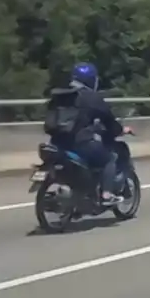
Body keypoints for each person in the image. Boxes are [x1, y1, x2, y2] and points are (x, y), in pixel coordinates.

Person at [44, 62, 128, 206]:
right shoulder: (91, 97)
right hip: (80, 144)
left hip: (57, 142)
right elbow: (109, 120)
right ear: (92, 80)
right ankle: (106, 195)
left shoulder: (60, 94)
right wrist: (121, 130)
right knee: (109, 159)